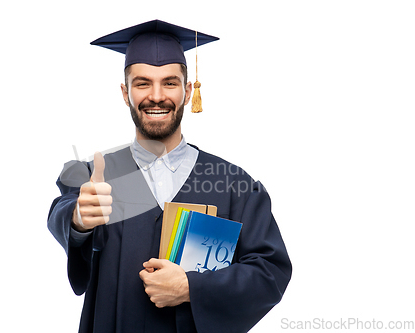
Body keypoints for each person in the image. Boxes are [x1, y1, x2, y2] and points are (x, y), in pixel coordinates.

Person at [48, 20, 292, 333]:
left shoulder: (234, 184)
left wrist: (192, 287)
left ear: (188, 91)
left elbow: (269, 272)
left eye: (170, 83)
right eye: (142, 83)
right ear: (126, 93)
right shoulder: (96, 177)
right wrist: (79, 218)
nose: (157, 95)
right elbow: (63, 208)